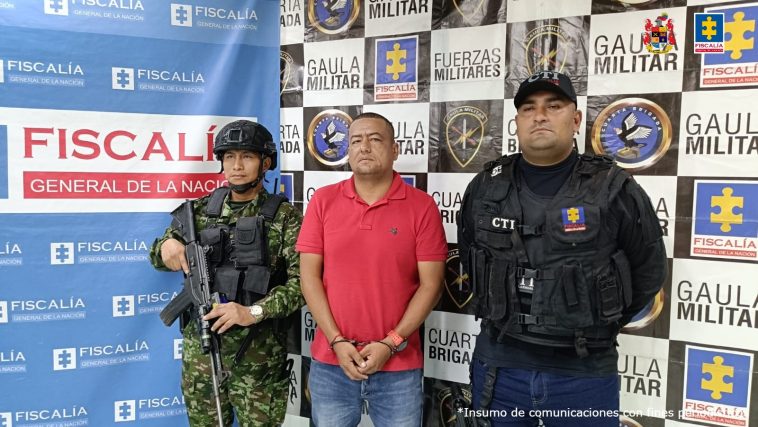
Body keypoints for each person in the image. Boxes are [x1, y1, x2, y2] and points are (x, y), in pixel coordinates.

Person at [458, 70, 667, 426]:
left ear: (576, 119)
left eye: (553, 106)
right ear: (517, 121)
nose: (539, 115)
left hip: (583, 371)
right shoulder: (485, 187)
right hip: (500, 365)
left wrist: (593, 319)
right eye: (528, 108)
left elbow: (648, 272)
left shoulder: (615, 188)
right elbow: (469, 255)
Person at [149, 120, 303, 426]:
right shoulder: (201, 210)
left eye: (247, 156)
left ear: (265, 162)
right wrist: (166, 245)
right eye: (229, 157)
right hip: (202, 352)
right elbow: (157, 255)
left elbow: (302, 285)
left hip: (259, 359)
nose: (237, 165)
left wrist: (253, 311)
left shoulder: (286, 217)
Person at [297, 112, 447, 426]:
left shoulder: (422, 207)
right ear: (347, 151)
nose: (365, 146)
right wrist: (337, 341)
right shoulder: (323, 202)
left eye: (375, 139)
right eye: (356, 140)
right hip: (331, 362)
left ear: (395, 150)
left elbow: (431, 285)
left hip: (398, 365)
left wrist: (390, 343)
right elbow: (309, 277)